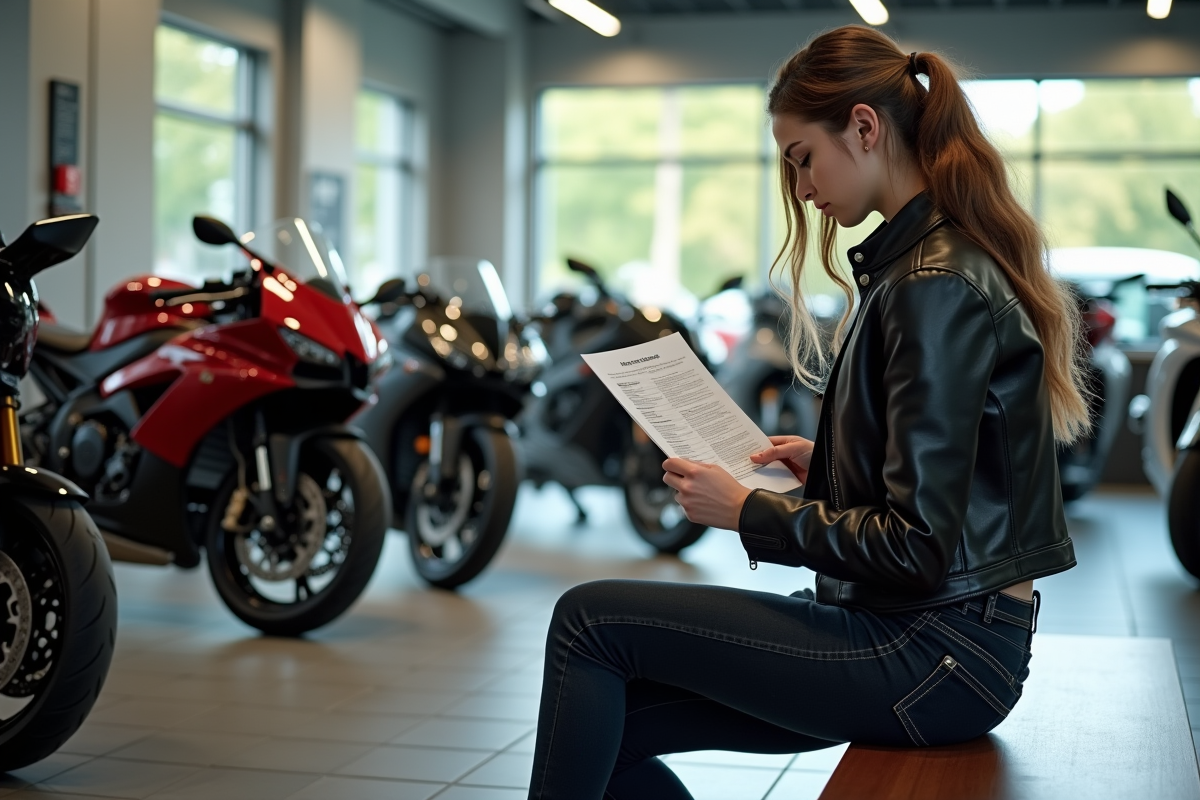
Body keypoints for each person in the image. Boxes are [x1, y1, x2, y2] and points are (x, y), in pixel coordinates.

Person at [526, 25, 1087, 800]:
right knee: (608, 725)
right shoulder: (918, 266)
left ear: (863, 127)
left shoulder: (932, 283)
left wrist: (748, 512)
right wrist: (823, 466)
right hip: (944, 635)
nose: (800, 188)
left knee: (588, 622)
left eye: (801, 159)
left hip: (936, 651)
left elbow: (919, 546)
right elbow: (944, 499)